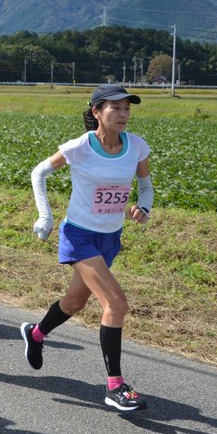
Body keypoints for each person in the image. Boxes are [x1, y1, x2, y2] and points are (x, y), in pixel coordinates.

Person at [20, 84, 153, 412]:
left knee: (75, 302)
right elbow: (39, 172)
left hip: (109, 238)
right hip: (79, 236)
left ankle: (36, 334)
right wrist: (45, 215)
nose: (123, 115)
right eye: (115, 108)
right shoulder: (81, 146)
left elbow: (146, 186)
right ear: (96, 112)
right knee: (116, 303)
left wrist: (142, 208)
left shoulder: (136, 147)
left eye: (127, 109)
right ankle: (115, 386)